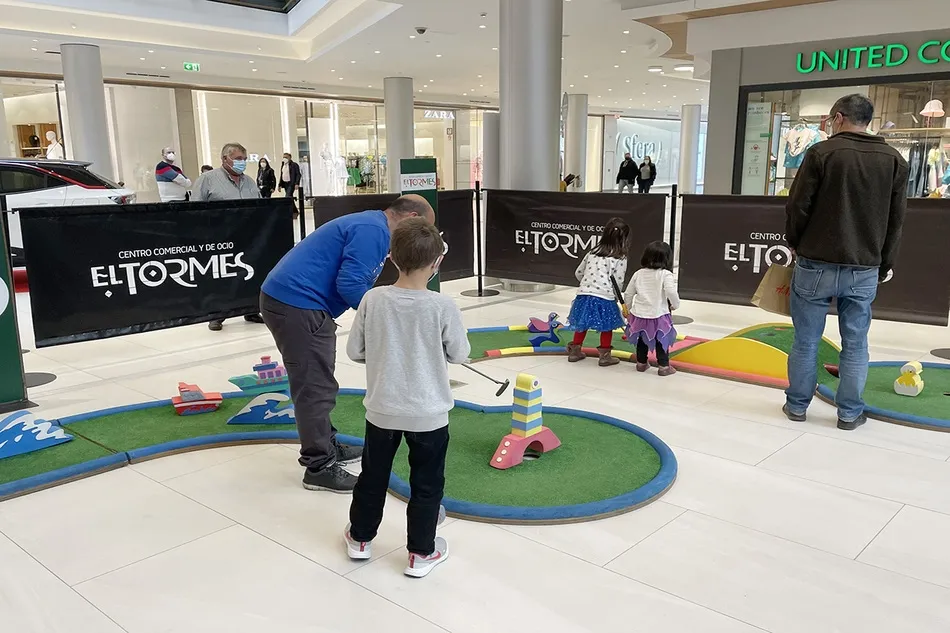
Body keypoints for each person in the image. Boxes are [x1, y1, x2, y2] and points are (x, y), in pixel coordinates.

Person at [260, 194, 436, 492]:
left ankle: (326, 444)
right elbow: (351, 285)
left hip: (298, 301)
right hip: (298, 304)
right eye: (419, 230)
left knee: (320, 380)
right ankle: (319, 466)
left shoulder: (373, 225)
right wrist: (385, 320)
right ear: (409, 218)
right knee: (314, 386)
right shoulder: (374, 231)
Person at [343, 218, 468, 578]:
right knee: (427, 484)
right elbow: (459, 354)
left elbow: (355, 351)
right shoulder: (443, 306)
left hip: (382, 410)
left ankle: (360, 539)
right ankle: (420, 553)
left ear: (392, 259)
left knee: (373, 476)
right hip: (429, 415)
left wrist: (386, 355)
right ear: (437, 263)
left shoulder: (372, 299)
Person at [784, 94, 908, 431]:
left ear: (838, 118)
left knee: (806, 340)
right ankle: (849, 413)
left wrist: (795, 244)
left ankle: (797, 406)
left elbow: (798, 206)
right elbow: (896, 220)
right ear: (867, 120)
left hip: (815, 262)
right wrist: (885, 262)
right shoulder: (894, 159)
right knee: (856, 344)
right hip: (864, 265)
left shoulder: (822, 153)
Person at [192, 142, 265, 331]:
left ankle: (251, 309)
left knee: (249, 273)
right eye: (238, 159)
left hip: (248, 237)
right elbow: (193, 210)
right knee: (222, 277)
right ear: (225, 159)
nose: (242, 163)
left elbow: (260, 207)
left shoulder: (249, 181)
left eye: (244, 159)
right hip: (219, 239)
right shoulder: (207, 179)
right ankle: (217, 314)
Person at [566, 218, 630, 367]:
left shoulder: (593, 252)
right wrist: (616, 296)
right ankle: (605, 356)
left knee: (582, 323)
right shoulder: (620, 257)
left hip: (584, 294)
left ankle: (575, 351)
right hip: (604, 295)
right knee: (606, 326)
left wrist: (587, 284)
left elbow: (579, 272)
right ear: (624, 239)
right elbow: (618, 280)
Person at [624, 241, 680, 377]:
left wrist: (627, 308)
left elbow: (628, 293)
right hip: (658, 314)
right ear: (667, 258)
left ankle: (641, 363)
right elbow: (671, 292)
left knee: (642, 339)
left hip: (639, 315)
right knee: (662, 339)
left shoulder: (638, 273)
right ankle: (663, 366)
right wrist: (675, 305)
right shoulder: (665, 274)